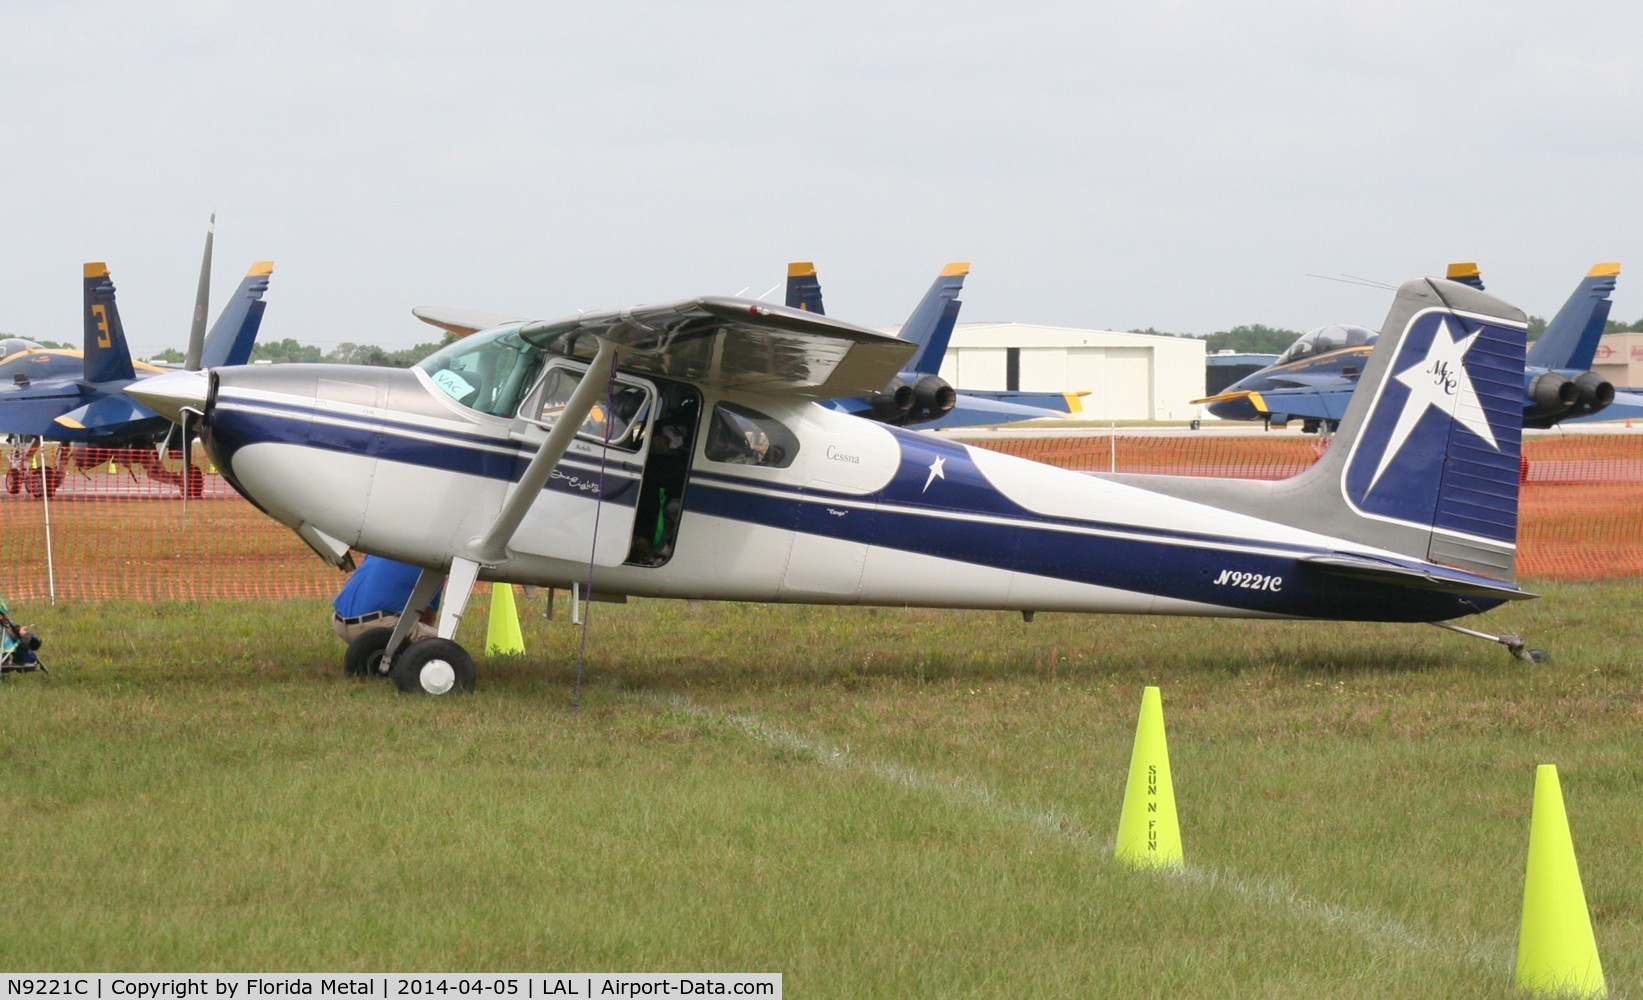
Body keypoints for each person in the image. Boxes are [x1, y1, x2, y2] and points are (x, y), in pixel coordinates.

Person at [332, 555, 441, 645]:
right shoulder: (435, 565)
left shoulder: (381, 549)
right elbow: (427, 621)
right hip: (373, 628)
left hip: (339, 623)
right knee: (447, 645)